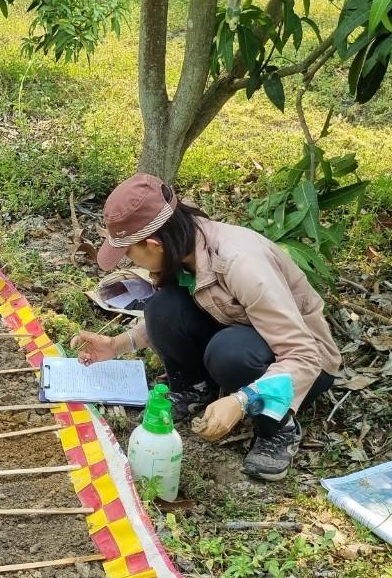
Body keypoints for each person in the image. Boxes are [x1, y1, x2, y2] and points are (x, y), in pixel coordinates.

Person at [71, 174, 341, 481]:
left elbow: (305, 356)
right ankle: (195, 389)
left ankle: (277, 427)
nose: (128, 261)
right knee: (161, 306)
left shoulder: (241, 263)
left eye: (129, 253)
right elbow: (188, 310)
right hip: (244, 333)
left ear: (153, 244)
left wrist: (242, 401)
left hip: (306, 365)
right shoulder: (183, 246)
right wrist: (118, 344)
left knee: (229, 353)